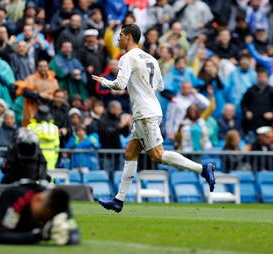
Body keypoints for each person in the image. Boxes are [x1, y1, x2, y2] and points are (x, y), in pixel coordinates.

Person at [92, 24, 215, 213]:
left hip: (144, 113)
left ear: (130, 37)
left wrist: (104, 81)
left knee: (158, 156)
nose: (119, 39)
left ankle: (203, 168)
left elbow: (120, 84)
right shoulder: (151, 58)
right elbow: (159, 85)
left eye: (121, 35)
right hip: (152, 109)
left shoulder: (127, 57)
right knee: (130, 154)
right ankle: (119, 200)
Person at [18, 60, 59, 127]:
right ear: (37, 68)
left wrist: (50, 97)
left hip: (49, 110)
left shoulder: (53, 81)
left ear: (48, 67)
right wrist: (39, 94)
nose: (43, 68)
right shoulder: (31, 78)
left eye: (45, 66)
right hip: (33, 109)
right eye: (40, 66)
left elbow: (57, 95)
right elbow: (25, 91)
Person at [240, 68, 273, 139]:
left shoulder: (271, 91)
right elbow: (243, 103)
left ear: (267, 78)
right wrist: (246, 112)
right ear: (257, 77)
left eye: (264, 76)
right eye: (260, 76)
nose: (262, 78)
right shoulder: (251, 90)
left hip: (267, 124)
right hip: (253, 123)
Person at [26, 105, 60, 170]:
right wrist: (54, 159)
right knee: (49, 178)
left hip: (34, 157)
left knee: (35, 178)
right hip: (50, 158)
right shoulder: (54, 128)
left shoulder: (30, 127)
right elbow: (57, 147)